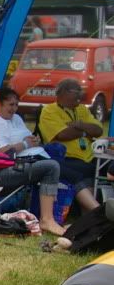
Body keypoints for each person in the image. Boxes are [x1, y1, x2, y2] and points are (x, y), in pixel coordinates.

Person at [0, 91, 66, 235]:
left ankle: (47, 216)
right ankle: (47, 220)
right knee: (51, 167)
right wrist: (14, 161)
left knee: (51, 164)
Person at [40, 78, 104, 212]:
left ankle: (95, 214)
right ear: (63, 93)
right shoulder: (49, 111)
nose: (80, 95)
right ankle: (97, 213)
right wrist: (85, 133)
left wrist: (79, 125)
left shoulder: (82, 109)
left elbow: (98, 130)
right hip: (66, 158)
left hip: (89, 157)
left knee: (108, 168)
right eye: (77, 92)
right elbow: (63, 135)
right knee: (85, 172)